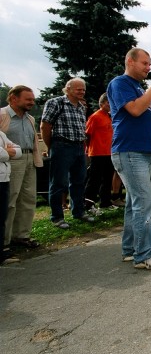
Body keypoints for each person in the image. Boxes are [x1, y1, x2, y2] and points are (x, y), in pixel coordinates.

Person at [107, 47, 151, 270]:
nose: (149, 67)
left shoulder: (137, 87)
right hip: (129, 151)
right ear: (130, 62)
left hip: (142, 151)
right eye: (144, 63)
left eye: (150, 63)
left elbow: (145, 117)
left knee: (133, 204)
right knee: (144, 202)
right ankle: (144, 255)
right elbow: (134, 110)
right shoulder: (120, 84)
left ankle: (130, 249)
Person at [40, 78, 95, 229]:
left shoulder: (81, 107)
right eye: (78, 89)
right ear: (68, 89)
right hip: (61, 145)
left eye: (83, 89)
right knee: (58, 183)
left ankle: (78, 212)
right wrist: (51, 146)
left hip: (78, 147)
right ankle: (57, 217)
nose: (82, 92)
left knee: (78, 181)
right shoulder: (56, 103)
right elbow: (45, 126)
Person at [0, 86, 43, 250]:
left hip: (29, 159)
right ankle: (5, 240)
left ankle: (22, 236)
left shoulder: (30, 118)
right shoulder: (2, 115)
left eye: (32, 99)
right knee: (10, 200)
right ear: (13, 98)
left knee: (28, 198)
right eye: (28, 99)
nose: (32, 102)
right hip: (10, 161)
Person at [84, 93, 116, 212]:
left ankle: (105, 202)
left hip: (109, 153)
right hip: (97, 153)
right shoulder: (95, 116)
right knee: (94, 179)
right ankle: (88, 204)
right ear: (101, 103)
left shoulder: (109, 116)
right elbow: (87, 134)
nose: (110, 105)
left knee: (107, 179)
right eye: (108, 103)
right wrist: (88, 149)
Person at [1, 130, 21, 264]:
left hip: (4, 178)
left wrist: (6, 151)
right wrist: (6, 151)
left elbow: (18, 150)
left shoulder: (1, 134)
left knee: (2, 216)